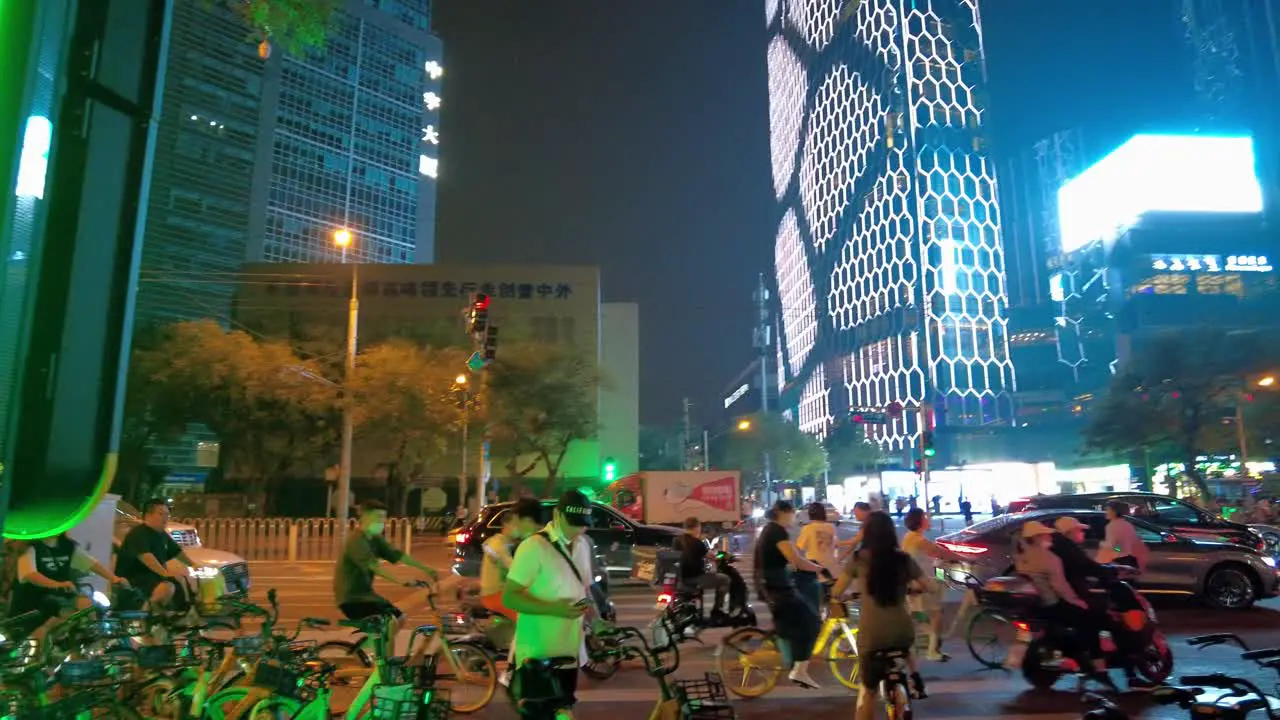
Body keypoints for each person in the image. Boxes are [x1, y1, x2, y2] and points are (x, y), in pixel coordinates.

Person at [503, 490, 600, 720]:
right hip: (537, 654)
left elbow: (584, 589)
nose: (578, 530)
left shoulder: (583, 546)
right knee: (539, 715)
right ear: (557, 515)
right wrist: (554, 609)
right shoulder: (533, 547)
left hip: (569, 652)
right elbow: (510, 597)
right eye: (573, 523)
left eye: (582, 524)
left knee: (564, 711)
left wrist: (596, 621)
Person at [831, 511, 925, 720]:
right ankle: (915, 677)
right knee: (907, 644)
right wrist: (915, 589)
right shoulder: (903, 559)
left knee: (867, 692)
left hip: (872, 635)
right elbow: (930, 586)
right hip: (902, 631)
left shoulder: (858, 559)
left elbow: (836, 591)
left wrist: (845, 595)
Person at [1052, 516, 1153, 691]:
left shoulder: (1055, 547)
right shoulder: (1069, 548)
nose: (1083, 532)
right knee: (1118, 624)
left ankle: (1095, 666)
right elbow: (1103, 557)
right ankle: (1128, 675)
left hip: (1093, 577)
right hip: (1086, 588)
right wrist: (1116, 567)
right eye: (1080, 530)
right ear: (1070, 532)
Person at [333, 499, 439, 643]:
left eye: (383, 518)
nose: (382, 522)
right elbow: (374, 566)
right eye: (378, 518)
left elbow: (397, 555)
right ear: (364, 517)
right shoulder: (356, 540)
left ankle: (376, 654)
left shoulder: (374, 538)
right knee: (392, 621)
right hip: (351, 598)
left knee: (397, 619)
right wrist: (402, 581)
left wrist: (427, 569)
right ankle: (379, 659)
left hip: (366, 595)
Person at [753, 500, 824, 688]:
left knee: (794, 620)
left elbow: (788, 561)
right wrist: (820, 569)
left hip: (771, 583)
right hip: (775, 586)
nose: (794, 516)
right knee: (811, 621)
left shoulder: (771, 529)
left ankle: (793, 660)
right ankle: (799, 670)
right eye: (793, 512)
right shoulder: (777, 531)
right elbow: (796, 559)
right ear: (784, 513)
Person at [10, 533, 126, 639]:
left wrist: (114, 579)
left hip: (59, 598)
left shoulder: (68, 546)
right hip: (32, 602)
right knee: (42, 631)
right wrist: (57, 584)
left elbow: (90, 563)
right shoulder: (30, 547)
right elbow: (30, 575)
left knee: (89, 608)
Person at [116, 499, 206, 611]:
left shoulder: (161, 534)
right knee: (167, 587)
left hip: (153, 576)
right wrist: (165, 573)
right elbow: (147, 558)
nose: (165, 517)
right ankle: (145, 615)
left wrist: (193, 565)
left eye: (167, 514)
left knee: (182, 588)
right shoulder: (139, 534)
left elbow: (177, 552)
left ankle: (169, 617)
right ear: (148, 515)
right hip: (136, 578)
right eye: (161, 514)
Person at [901, 508, 953, 661]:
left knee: (917, 614)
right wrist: (965, 558)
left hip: (912, 583)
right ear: (919, 521)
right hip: (921, 583)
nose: (928, 519)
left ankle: (926, 643)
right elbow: (940, 553)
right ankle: (931, 651)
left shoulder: (909, 537)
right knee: (936, 614)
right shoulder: (918, 540)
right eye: (925, 517)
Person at [673, 516, 731, 620]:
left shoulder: (676, 541)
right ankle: (717, 610)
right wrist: (722, 556)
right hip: (695, 579)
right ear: (696, 528)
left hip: (680, 579)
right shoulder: (697, 543)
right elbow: (712, 557)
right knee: (724, 579)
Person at [795, 503, 839, 613]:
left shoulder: (808, 529)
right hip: (831, 570)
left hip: (815, 570)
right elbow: (835, 546)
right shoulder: (831, 527)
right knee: (830, 603)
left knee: (814, 605)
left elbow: (799, 547)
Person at [1097, 501, 1148, 572]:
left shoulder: (1112, 526)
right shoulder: (1128, 525)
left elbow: (1116, 546)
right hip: (1129, 559)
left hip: (1118, 561)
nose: (1106, 513)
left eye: (1108, 510)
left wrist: (1102, 544)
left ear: (1115, 512)